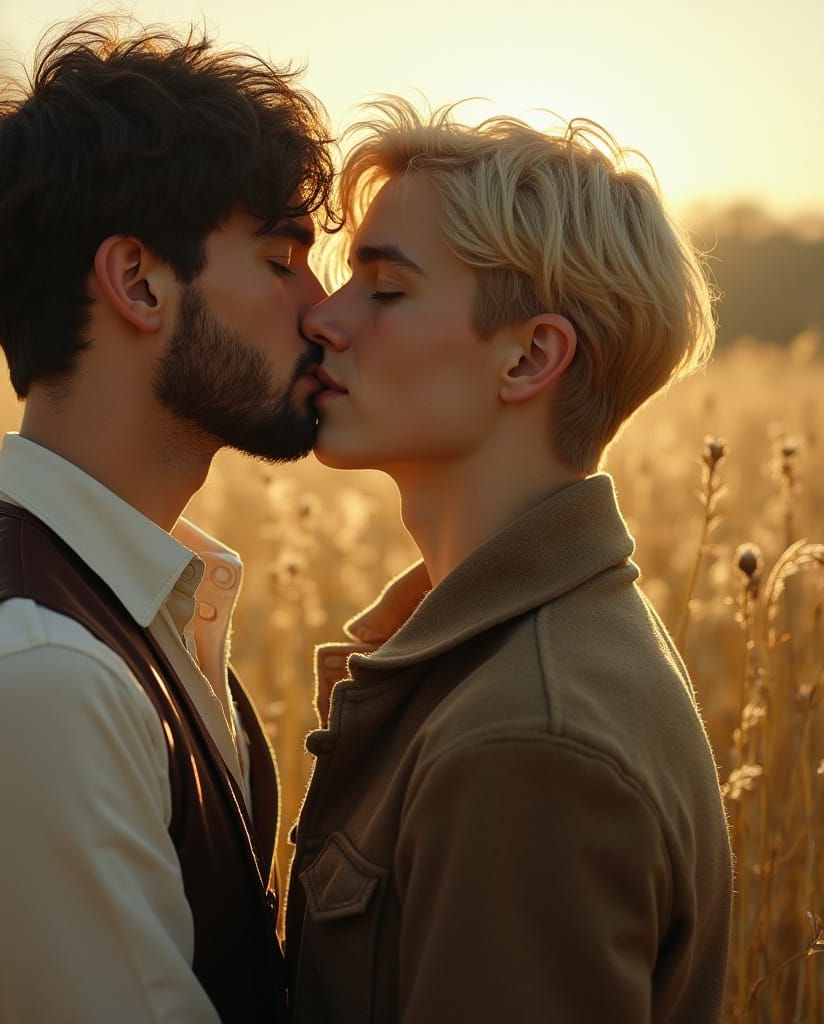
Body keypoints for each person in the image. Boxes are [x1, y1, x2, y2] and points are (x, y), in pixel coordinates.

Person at [0, 17, 334, 1024]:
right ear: (139, 282)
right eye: (282, 260)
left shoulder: (125, 602)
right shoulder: (32, 675)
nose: (323, 310)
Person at [286, 100, 733, 1022]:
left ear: (530, 357)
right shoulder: (535, 651)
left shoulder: (527, 744)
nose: (322, 320)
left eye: (385, 288)